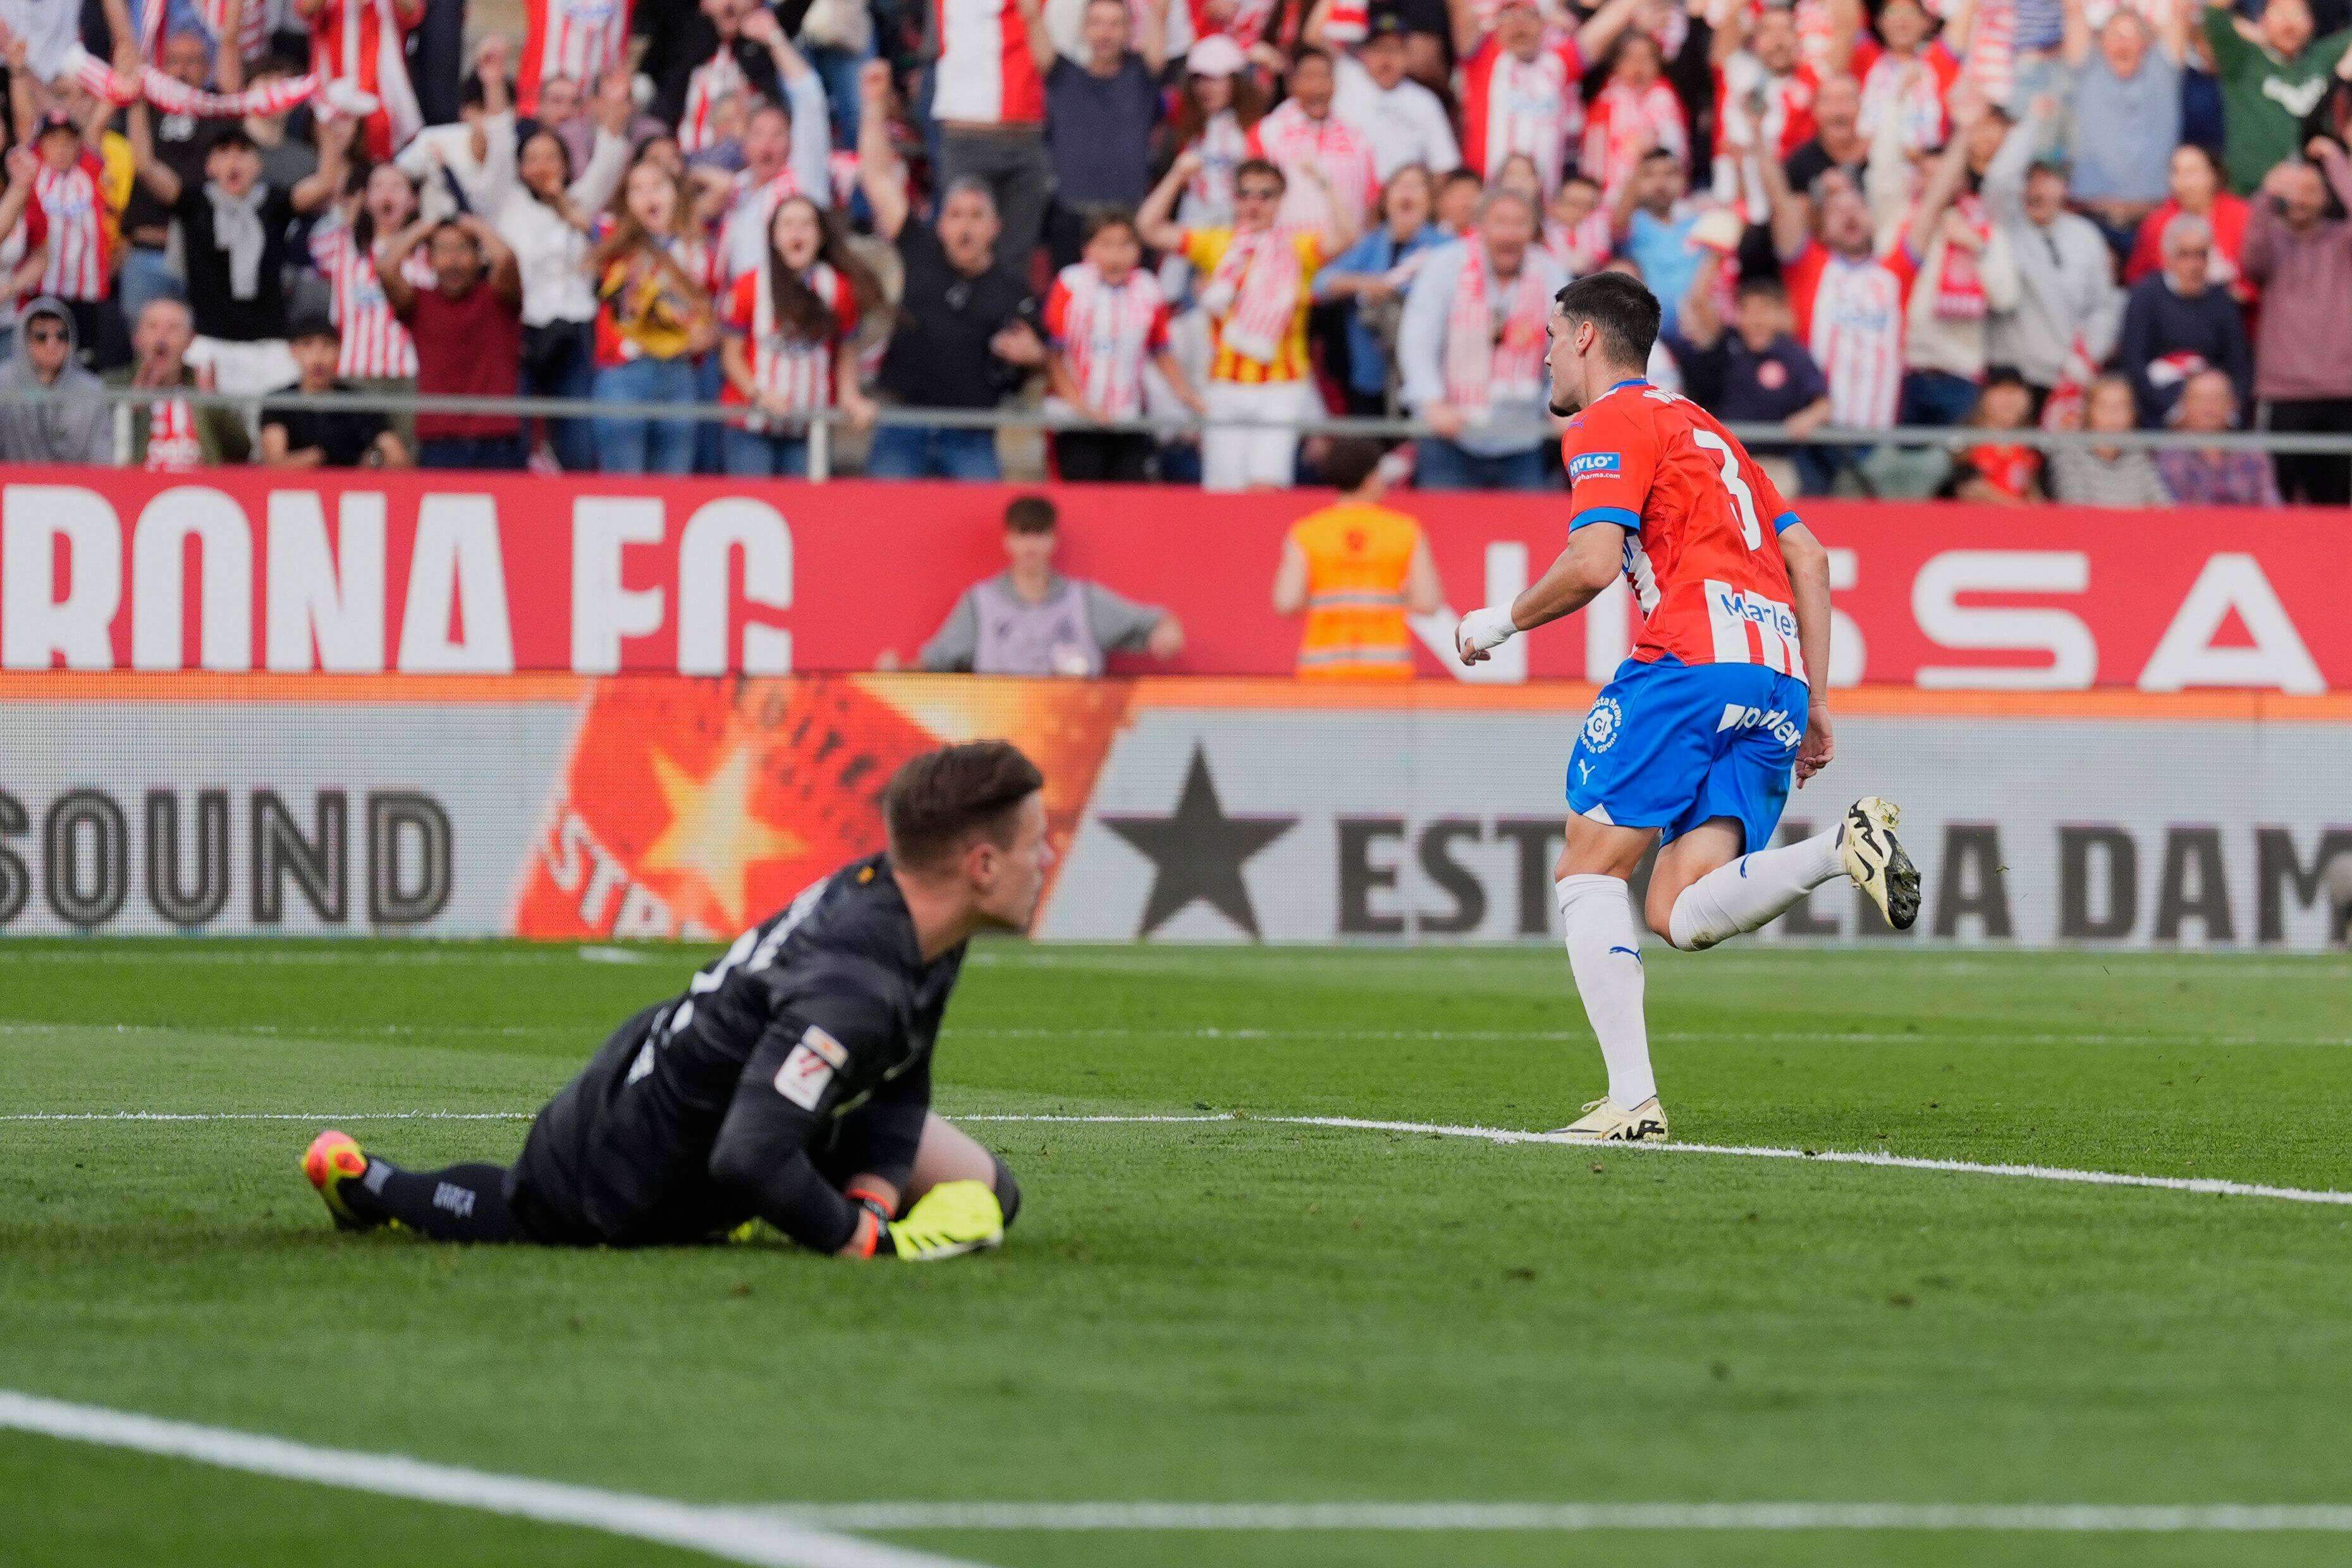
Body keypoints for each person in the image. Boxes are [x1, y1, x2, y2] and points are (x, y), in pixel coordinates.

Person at [1454, 270, 1917, 1142]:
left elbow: (1594, 564)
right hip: (1774, 671)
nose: (1546, 356)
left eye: (1552, 337)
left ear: (1586, 337)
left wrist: (1497, 622)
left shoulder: (1610, 420)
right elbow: (1810, 559)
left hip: (1693, 659)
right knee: (1676, 909)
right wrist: (1815, 701)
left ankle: (1632, 1101)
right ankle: (1835, 850)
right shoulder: (1710, 430)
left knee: (1590, 869)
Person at [302, 742, 1043, 1266]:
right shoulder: (852, 978)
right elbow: (750, 1153)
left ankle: (759, 1206)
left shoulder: (917, 918)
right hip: (628, 1149)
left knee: (990, 1191)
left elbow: (900, 1072)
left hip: (747, 1107)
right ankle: (369, 1180)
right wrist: (853, 1236)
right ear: (980, 866)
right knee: (527, 1218)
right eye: (1035, 844)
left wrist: (874, 1201)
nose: (1044, 861)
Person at [856, 63, 1046, 481]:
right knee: (882, 524)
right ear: (941, 225)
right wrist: (873, 105)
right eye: (956, 215)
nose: (965, 227)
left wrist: (1036, 357)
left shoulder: (1013, 288)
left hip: (971, 432)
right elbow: (876, 177)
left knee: (979, 528)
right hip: (903, 422)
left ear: (995, 228)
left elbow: (1041, 355)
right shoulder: (920, 249)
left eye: (977, 217)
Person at [1139, 152, 1351, 491]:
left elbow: (1347, 235)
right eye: (1245, 194)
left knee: (1266, 488)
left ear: (1281, 200)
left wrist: (1325, 183)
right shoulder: (1215, 242)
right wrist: (1178, 175)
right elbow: (1148, 227)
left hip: (1281, 387)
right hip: (1225, 384)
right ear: (1234, 198)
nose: (1254, 203)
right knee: (1224, 492)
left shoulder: (1299, 247)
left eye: (1266, 195)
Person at [128, 107, 340, 395]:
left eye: (243, 152)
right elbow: (146, 167)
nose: (233, 161)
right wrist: (134, 105)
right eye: (224, 153)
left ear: (258, 165)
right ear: (210, 166)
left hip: (268, 346)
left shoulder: (274, 203)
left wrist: (328, 129)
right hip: (209, 343)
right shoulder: (194, 202)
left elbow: (325, 184)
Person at [1397, 187, 1565, 490]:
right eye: (1501, 222)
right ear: (1481, 225)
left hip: (1522, 437)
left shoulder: (1551, 273)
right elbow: (1417, 340)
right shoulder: (1445, 265)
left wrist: (1559, 406)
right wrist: (1431, 402)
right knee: (1448, 531)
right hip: (1450, 434)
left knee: (1520, 532)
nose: (1510, 233)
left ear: (1533, 229)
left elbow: (1565, 349)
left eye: (1520, 223)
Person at [917, 495, 1184, 675]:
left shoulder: (1085, 601)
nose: (1031, 545)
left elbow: (1157, 623)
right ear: (1008, 540)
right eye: (1023, 534)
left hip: (1073, 732)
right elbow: (933, 663)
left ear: (1053, 540)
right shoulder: (980, 603)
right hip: (998, 739)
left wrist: (1168, 631)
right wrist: (897, 672)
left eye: (1040, 534)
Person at [718, 193, 881, 476]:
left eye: (807, 224)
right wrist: (759, 395)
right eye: (788, 224)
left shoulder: (837, 288)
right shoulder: (750, 285)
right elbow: (732, 355)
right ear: (773, 236)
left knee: (805, 512)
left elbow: (845, 351)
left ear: (820, 236)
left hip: (810, 426)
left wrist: (849, 396)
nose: (797, 232)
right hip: (751, 425)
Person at [1042, 210, 1204, 482]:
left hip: (1128, 418)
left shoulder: (1148, 287)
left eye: (1125, 245)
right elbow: (1054, 357)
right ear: (1088, 250)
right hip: (1076, 419)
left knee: (1129, 502)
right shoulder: (1070, 284)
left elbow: (1161, 351)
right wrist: (1083, 408)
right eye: (1106, 245)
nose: (1116, 255)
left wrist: (1188, 396)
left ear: (1137, 251)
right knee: (1083, 501)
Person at [1983, 101, 2121, 406]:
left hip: (2069, 379)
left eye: (2048, 179)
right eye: (2030, 178)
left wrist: (2086, 359)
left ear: (2064, 186)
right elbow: (1998, 181)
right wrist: (2032, 124)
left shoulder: (2086, 235)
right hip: (2014, 381)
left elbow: (2103, 306)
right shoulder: (2005, 223)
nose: (2037, 189)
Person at [585, 157, 716, 475]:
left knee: (673, 488)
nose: (648, 197)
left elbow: (711, 316)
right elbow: (578, 208)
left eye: (658, 186)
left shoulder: (698, 249)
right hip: (625, 374)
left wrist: (706, 335)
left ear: (676, 194)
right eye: (637, 190)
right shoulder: (609, 239)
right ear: (627, 202)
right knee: (624, 493)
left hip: (680, 374)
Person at [1271, 436, 1442, 678]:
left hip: (1322, 672)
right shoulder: (1406, 531)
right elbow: (1428, 602)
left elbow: (1287, 602)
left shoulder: (1306, 532)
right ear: (1371, 479)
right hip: (1387, 673)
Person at [2243, 149, 2352, 504]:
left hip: (2341, 392)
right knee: (2276, 501)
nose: (2302, 200)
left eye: (2312, 191)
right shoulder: (2272, 241)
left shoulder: (2343, 242)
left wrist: (2336, 162)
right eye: (2296, 191)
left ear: (2327, 196)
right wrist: (2265, 195)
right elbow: (2251, 261)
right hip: (2283, 394)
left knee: (2336, 506)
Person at [1663, 267, 1830, 498]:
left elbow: (1823, 403)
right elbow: (1699, 301)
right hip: (1721, 460)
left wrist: (1809, 417)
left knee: (1778, 501)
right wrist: (1716, 255)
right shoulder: (1727, 344)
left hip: (1774, 464)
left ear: (1782, 315)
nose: (1756, 320)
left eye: (1764, 310)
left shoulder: (1794, 356)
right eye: (1747, 310)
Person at [379, 213, 528, 470]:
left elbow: (505, 259)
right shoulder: (419, 303)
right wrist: (426, 228)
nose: (452, 261)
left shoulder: (499, 299)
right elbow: (386, 267)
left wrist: (472, 224)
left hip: (497, 439)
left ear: (479, 257)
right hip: (440, 441)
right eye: (443, 251)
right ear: (430, 260)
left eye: (462, 249)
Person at [1032, 0, 1166, 267]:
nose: (1106, 33)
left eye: (1115, 24)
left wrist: (1158, 14)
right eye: (1097, 23)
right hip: (1072, 219)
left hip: (1128, 219)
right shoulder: (1062, 75)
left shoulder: (1141, 75)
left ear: (1130, 31)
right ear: (1084, 29)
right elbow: (1032, 18)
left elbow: (1160, 14)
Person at [1314, 163, 1446, 415]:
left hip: (1426, 380)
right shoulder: (1372, 243)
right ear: (1386, 200)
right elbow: (1321, 284)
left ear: (1430, 201)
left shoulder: (1446, 247)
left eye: (1417, 186)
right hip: (1370, 375)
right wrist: (1367, 283)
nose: (1407, 191)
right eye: (1400, 185)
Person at [2061, 0, 2184, 247]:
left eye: (2131, 35)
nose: (2123, 42)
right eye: (2115, 34)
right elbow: (2073, 10)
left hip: (2151, 221)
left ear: (2147, 43)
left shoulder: (2164, 70)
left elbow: (2180, 11)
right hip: (2092, 220)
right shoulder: (2087, 69)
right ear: (2100, 41)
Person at [2201, 0, 2352, 196]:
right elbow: (2215, 14)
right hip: (2252, 194)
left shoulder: (2322, 58)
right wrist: (2239, 24)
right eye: (2280, 13)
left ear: (2312, 23)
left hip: (2314, 201)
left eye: (2298, 14)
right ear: (2261, 21)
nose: (2289, 22)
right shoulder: (2242, 59)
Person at [2116, 212, 2253, 426]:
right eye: (2184, 255)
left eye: (2201, 255)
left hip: (2215, 415)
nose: (2194, 264)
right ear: (2168, 257)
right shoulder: (2145, 296)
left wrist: (2228, 413)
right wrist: (2176, 412)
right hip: (2158, 415)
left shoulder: (2221, 300)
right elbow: (2133, 363)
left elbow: (2238, 366)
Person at [1247, 47, 1380, 238]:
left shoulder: (1358, 139)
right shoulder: (1266, 134)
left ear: (1334, 84)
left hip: (1346, 257)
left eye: (1324, 77)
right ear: (1292, 84)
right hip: (1288, 255)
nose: (1318, 87)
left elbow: (1372, 204)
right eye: (1309, 77)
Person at [106, 295, 251, 469]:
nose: (162, 337)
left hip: (199, 489)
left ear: (190, 340)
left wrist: (214, 406)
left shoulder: (202, 385)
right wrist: (132, 409)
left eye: (173, 328)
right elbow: (98, 454)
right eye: (153, 327)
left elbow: (241, 452)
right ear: (137, 338)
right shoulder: (112, 386)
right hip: (137, 490)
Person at [259, 309, 409, 468]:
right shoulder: (279, 402)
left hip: (353, 489)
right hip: (295, 491)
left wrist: (373, 463)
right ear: (293, 351)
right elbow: (274, 466)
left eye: (327, 346)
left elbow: (397, 458)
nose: (318, 357)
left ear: (339, 350)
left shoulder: (360, 403)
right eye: (308, 345)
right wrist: (316, 457)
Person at [1332, 16, 1459, 180]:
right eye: (1379, 49)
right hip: (1348, 197)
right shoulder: (1344, 81)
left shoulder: (1425, 101)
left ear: (1407, 56)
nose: (1386, 59)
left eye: (1394, 50)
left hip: (1404, 198)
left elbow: (1443, 167)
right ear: (1364, 54)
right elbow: (1314, 39)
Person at [2124, 144, 2250, 299]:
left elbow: (2259, 276)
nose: (2183, 182)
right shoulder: (2156, 224)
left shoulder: (2242, 216)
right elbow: (2137, 279)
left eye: (2192, 172)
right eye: (2176, 172)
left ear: (2214, 175)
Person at [0, 296, 110, 463]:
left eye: (61, 335)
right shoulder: (4, 382)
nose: (52, 344)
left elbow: (102, 457)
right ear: (25, 341)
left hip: (78, 485)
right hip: (13, 484)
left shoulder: (92, 389)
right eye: (41, 336)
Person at [2152, 367, 2281, 505]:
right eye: (2199, 399)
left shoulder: (2252, 453)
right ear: (2184, 405)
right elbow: (2165, 511)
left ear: (2232, 404)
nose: (2208, 407)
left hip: (2246, 525)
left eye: (2217, 398)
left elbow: (2271, 506)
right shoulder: (2167, 454)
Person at [2046, 374, 2170, 503]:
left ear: (2132, 414)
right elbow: (2075, 509)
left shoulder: (2138, 454)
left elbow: (2164, 507)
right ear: (2089, 412)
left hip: (2137, 523)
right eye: (2104, 406)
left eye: (2121, 406)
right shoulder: (2068, 453)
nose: (2113, 415)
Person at [1937, 372, 2045, 501]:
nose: (2009, 399)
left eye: (2015, 391)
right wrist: (2019, 509)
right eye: (2002, 391)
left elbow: (2033, 493)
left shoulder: (2031, 445)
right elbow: (1968, 488)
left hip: (2018, 518)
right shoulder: (1965, 440)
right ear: (1984, 396)